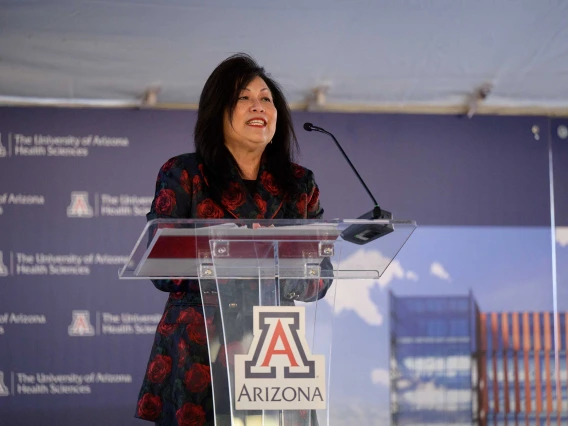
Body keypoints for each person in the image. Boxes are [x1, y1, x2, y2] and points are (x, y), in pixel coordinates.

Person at [135, 53, 332, 426]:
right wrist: (242, 252)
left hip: (275, 347)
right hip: (201, 348)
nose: (258, 106)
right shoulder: (183, 174)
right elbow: (163, 270)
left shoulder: (300, 184)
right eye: (244, 97)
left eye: (267, 99)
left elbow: (321, 279)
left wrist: (275, 266)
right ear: (217, 110)